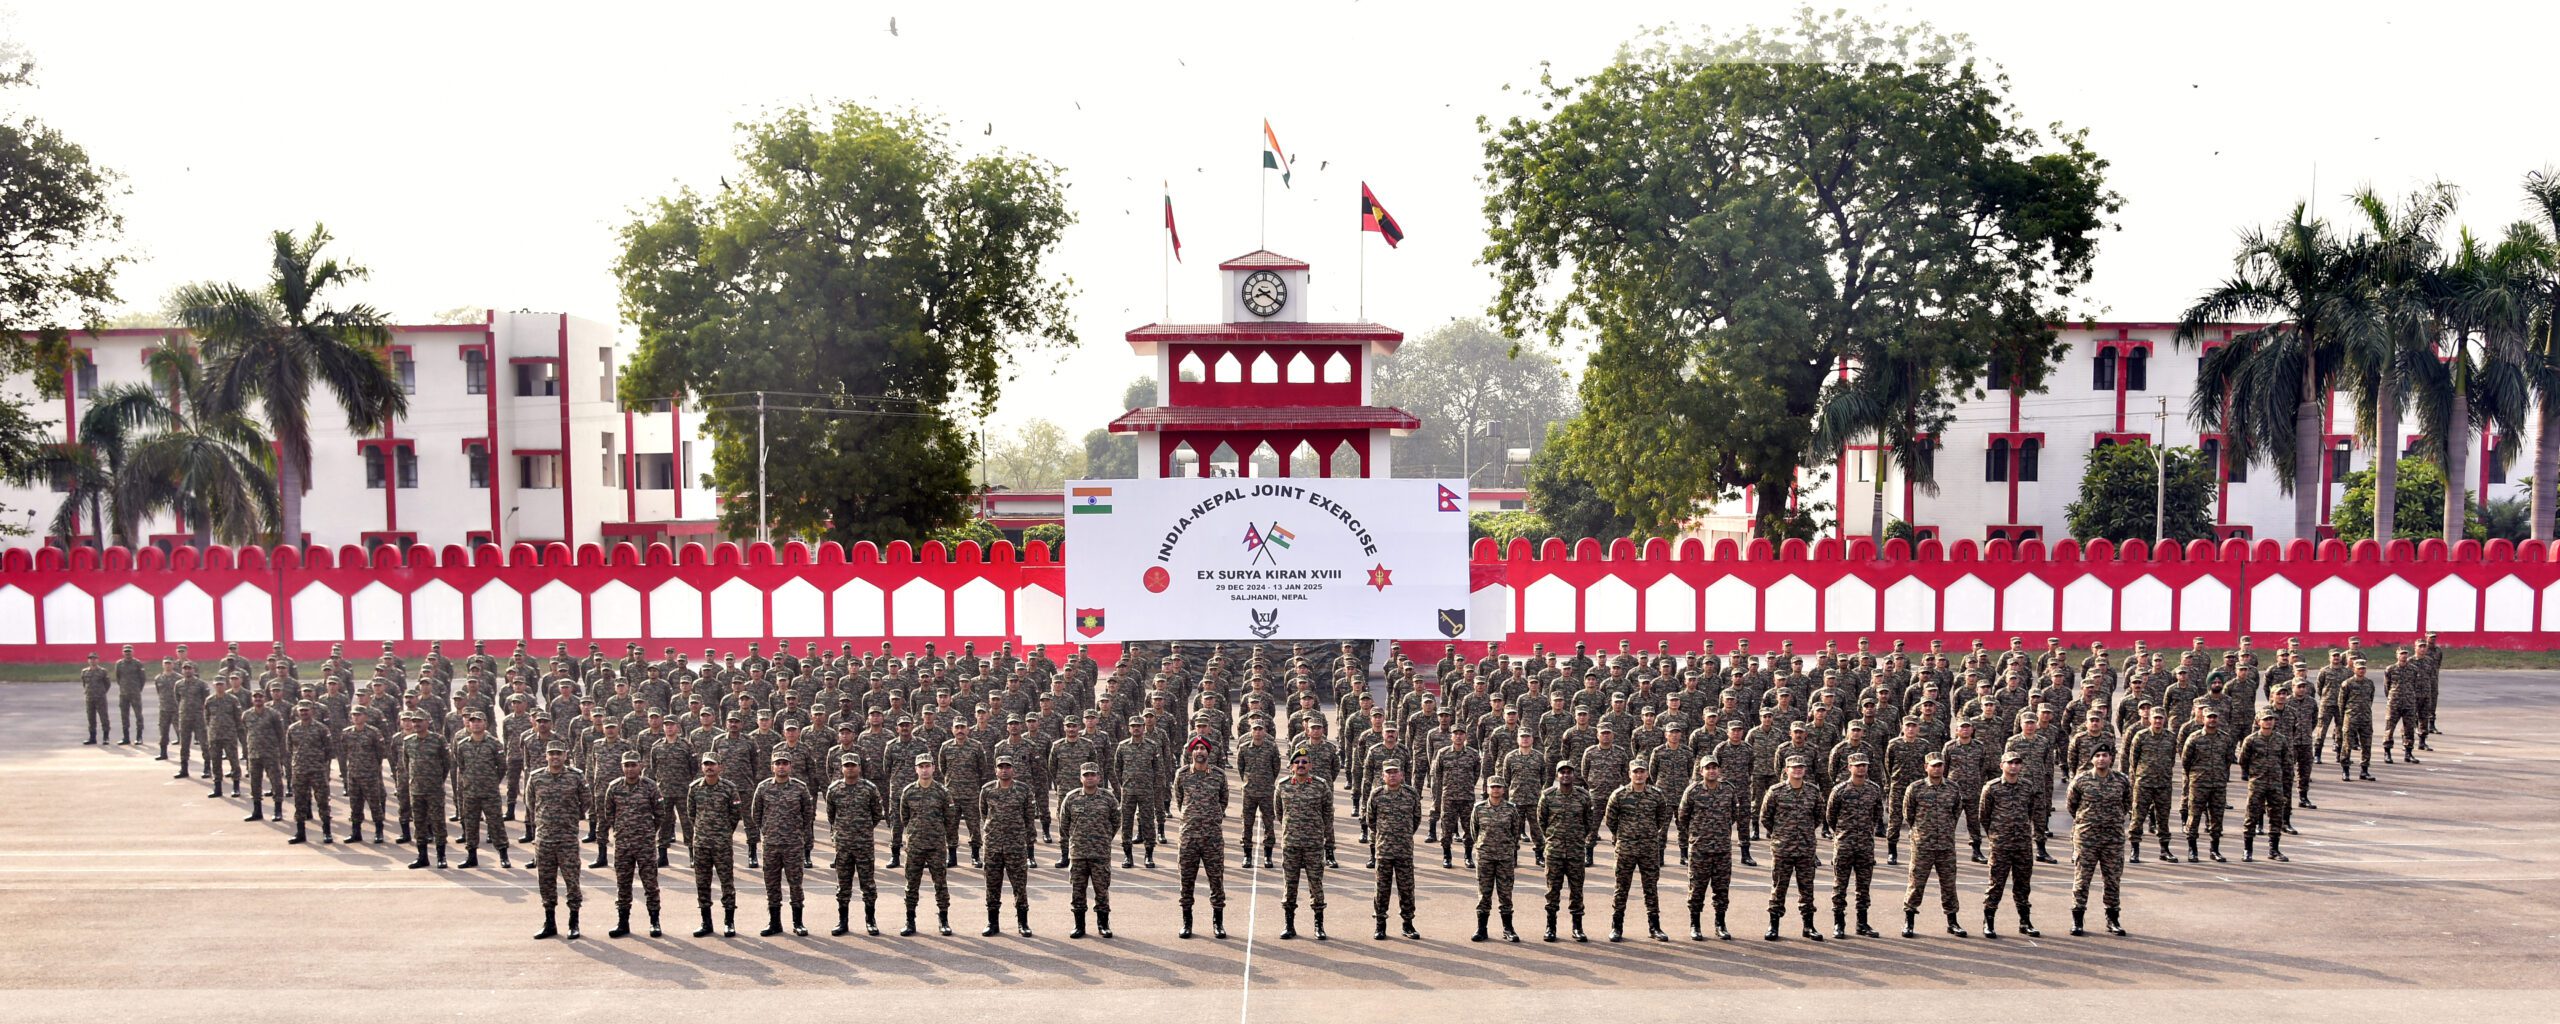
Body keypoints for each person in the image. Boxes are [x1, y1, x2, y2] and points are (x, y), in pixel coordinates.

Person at [2065, 746, 2132, 937]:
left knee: (2112, 879)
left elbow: (2127, 803)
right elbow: (2072, 806)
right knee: (2082, 879)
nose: (2101, 759)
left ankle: (2113, 919)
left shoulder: (2121, 780)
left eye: (2105, 755)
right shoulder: (2081, 780)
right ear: (2092, 759)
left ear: (2111, 758)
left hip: (2112, 838)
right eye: (2098, 756)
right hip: (2087, 838)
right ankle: (2077, 920)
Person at [1899, 752, 1968, 937]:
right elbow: (1909, 814)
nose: (1937, 768)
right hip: (1923, 845)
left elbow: (1956, 811)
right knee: (1916, 883)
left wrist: (1944, 830)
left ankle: (1952, 922)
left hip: (1945, 845)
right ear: (1926, 767)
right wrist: (1922, 832)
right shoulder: (1916, 788)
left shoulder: (1953, 788)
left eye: (1940, 765)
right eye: (1933, 765)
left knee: (1949, 884)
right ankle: (1909, 920)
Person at [602, 751, 671, 938]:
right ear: (622, 767)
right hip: (623, 844)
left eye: (633, 765)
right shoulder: (614, 787)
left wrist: (648, 831)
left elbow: (660, 814)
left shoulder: (650, 787)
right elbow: (609, 814)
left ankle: (654, 922)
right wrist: (621, 831)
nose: (630, 768)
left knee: (650, 883)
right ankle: (623, 922)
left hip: (645, 843)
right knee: (623, 884)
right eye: (627, 765)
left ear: (640, 766)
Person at [1603, 757, 1672, 942]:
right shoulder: (1619, 795)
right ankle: (1616, 927)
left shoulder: (1656, 795)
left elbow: (1661, 818)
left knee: (1651, 888)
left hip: (1649, 848)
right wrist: (1624, 834)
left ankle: (1655, 927)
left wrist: (1648, 833)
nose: (1639, 775)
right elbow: (1610, 820)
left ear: (1647, 774)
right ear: (1629, 774)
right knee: (1621, 888)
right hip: (1626, 847)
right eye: (1635, 772)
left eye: (1642, 771)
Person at [748, 750, 816, 936]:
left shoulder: (800, 788)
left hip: (793, 844)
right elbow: (756, 815)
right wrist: (768, 831)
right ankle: (774, 923)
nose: (781, 766)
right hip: (771, 844)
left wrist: (797, 833)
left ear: (790, 766)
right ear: (772, 767)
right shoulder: (763, 788)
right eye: (778, 763)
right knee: (772, 884)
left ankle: (798, 922)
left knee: (795, 884)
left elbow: (807, 814)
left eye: (785, 763)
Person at [1758, 755, 1824, 942]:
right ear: (1785, 770)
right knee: (1779, 887)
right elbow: (1766, 818)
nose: (1797, 770)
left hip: (1805, 848)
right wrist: (1780, 833)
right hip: (1783, 848)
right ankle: (1774, 925)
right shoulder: (1776, 791)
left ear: (1805, 770)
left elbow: (1818, 816)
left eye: (1800, 767)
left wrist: (1805, 833)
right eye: (1793, 767)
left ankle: (1808, 926)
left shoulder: (1813, 791)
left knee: (1807, 888)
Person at [1171, 741, 1230, 939]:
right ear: (1191, 753)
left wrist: (1212, 817)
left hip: (1212, 837)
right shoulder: (1182, 775)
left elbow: (1224, 801)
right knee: (1186, 881)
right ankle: (1187, 923)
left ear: (1208, 753)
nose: (1199, 752)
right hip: (1188, 836)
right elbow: (1179, 800)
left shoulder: (1219, 775)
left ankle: (1218, 923)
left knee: (1216, 880)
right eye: (1196, 749)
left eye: (1203, 749)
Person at [1979, 750, 2041, 938]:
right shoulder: (1992, 788)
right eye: (2010, 763)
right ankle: (1988, 921)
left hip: (2022, 844)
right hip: (2001, 845)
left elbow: (2030, 811)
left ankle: (2025, 921)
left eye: (2017, 763)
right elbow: (1984, 816)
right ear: (2002, 766)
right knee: (1996, 883)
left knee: (2023, 884)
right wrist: (1996, 835)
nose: (2013, 766)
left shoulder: (2027, 786)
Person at [1675, 759, 1738, 940]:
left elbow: (1733, 814)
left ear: (1719, 770)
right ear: (1701, 771)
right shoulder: (1693, 791)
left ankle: (1720, 924)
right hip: (1700, 849)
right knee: (1697, 888)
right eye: (1707, 768)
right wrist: (1698, 835)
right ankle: (1695, 924)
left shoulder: (1728, 790)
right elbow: (1683, 817)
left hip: (1722, 848)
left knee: (1721, 889)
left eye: (1714, 767)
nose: (1711, 771)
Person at [822, 753, 884, 936]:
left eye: (853, 765)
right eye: (847, 765)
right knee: (843, 884)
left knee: (868, 884)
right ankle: (843, 921)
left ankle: (870, 920)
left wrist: (863, 830)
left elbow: (877, 814)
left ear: (859, 767)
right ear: (842, 768)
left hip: (864, 844)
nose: (850, 768)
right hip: (843, 845)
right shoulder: (834, 789)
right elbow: (831, 816)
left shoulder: (869, 789)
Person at [979, 754, 1040, 937]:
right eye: (1001, 767)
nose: (1004, 770)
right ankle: (993, 923)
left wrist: (1028, 842)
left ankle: (1023, 923)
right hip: (993, 845)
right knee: (992, 884)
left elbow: (1029, 817)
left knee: (1019, 885)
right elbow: (983, 814)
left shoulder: (1023, 790)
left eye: (1007, 767)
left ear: (1013, 769)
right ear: (995, 770)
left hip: (1016, 845)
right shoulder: (987, 790)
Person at [895, 755, 956, 936]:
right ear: (916, 769)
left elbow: (950, 818)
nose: (924, 769)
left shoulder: (942, 792)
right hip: (915, 845)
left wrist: (936, 831)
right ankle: (910, 920)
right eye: (921, 766)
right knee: (911, 884)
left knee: (941, 884)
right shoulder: (908, 791)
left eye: (927, 766)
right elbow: (904, 817)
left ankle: (944, 920)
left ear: (933, 768)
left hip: (936, 845)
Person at [1362, 760, 1423, 940]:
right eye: (1389, 772)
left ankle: (1408, 924)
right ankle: (1380, 924)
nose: (1392, 775)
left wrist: (1403, 835)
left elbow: (1416, 819)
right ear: (1383, 776)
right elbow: (1370, 820)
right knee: (1382, 889)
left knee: (1406, 888)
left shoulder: (1411, 794)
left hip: (1404, 850)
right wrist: (1385, 836)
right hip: (1383, 850)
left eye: (1395, 772)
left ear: (1402, 775)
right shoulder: (1377, 794)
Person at [1274, 752, 1333, 940]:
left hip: (1313, 844)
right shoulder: (1283, 786)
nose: (1300, 764)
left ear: (1310, 765)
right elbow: (1279, 814)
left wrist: (1327, 840)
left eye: (1304, 762)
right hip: (1291, 843)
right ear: (1291, 766)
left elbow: (1327, 815)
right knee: (1290, 885)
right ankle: (1289, 925)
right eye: (1297, 762)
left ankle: (1319, 925)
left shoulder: (1321, 786)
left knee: (1316, 884)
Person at [1826, 752, 1884, 938]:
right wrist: (1843, 833)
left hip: (1865, 845)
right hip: (1844, 844)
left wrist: (1866, 831)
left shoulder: (1874, 790)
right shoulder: (1840, 790)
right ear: (1849, 767)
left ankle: (1862, 923)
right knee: (1840, 885)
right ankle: (1838, 923)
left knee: (1863, 887)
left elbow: (1877, 815)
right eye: (1857, 765)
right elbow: (1830, 817)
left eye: (1864, 765)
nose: (1861, 768)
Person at [1058, 761, 1118, 939]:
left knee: (1102, 890)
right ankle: (1079, 925)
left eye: (1093, 775)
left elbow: (1116, 821)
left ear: (1099, 777)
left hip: (1100, 853)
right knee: (1078, 890)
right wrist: (1077, 839)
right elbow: (1064, 824)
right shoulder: (1071, 798)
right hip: (1078, 853)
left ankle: (1103, 924)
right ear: (1081, 777)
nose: (1090, 778)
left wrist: (1105, 838)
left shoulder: (1108, 798)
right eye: (1086, 775)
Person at [687, 752, 745, 937]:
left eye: (713, 764)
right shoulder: (695, 788)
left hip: (722, 844)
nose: (709, 767)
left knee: (726, 882)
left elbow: (735, 814)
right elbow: (691, 814)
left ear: (720, 767)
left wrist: (724, 832)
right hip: (701, 843)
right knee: (702, 883)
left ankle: (729, 922)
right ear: (702, 767)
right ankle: (706, 922)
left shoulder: (729, 788)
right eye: (706, 764)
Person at [1535, 762, 1594, 942]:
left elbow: (1588, 822)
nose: (1566, 775)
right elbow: (1541, 822)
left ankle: (1577, 927)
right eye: (1562, 772)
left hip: (1576, 851)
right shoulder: (1548, 796)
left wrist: (1577, 838)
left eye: (1569, 772)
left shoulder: (1583, 796)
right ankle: (1550, 927)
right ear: (1557, 775)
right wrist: (1554, 838)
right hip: (1554, 851)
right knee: (1553, 890)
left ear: (1574, 775)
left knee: (1577, 890)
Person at [1469, 776, 1526, 942]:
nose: (1495, 790)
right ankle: (1481, 929)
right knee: (1484, 893)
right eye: (1493, 787)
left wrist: (1508, 848)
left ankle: (1508, 929)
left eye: (1499, 787)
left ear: (1504, 789)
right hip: (1485, 857)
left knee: (1505, 894)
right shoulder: (1478, 809)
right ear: (1487, 789)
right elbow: (1475, 832)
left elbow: (1515, 832)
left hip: (1504, 857)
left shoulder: (1511, 809)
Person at [451, 711, 510, 868]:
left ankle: (503, 855)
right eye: (473, 721)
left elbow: (502, 766)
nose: (476, 724)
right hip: (470, 792)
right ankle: (472, 856)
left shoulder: (494, 743)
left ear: (485, 723)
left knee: (496, 823)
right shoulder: (463, 744)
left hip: (490, 792)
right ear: (469, 724)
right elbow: (461, 765)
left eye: (479, 721)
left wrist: (492, 781)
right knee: (470, 824)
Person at [2236, 709, 2293, 863]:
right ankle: (2248, 850)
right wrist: (2253, 774)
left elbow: (2287, 762)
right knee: (2251, 816)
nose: (2268, 722)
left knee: (2276, 817)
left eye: (2271, 719)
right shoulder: (2251, 740)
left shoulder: (2281, 740)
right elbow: (2243, 760)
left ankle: (2274, 849)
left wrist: (2286, 782)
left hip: (2276, 784)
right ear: (2259, 721)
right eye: (2265, 719)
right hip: (2257, 783)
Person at [398, 709, 451, 869]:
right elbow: (407, 763)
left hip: (434, 788)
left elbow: (446, 764)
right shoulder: (408, 741)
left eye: (420, 721)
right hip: (416, 789)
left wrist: (437, 780)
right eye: (414, 721)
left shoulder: (438, 740)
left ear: (428, 722)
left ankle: (441, 856)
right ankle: (422, 856)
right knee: (419, 823)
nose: (416, 724)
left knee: (438, 822)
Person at [2181, 708, 2235, 862]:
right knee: (2194, 817)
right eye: (2209, 717)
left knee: (2217, 818)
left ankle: (2215, 849)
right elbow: (2186, 761)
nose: (2212, 720)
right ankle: (2193, 850)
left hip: (2218, 784)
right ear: (2203, 719)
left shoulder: (2225, 739)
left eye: (2214, 717)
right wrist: (2196, 775)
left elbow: (2228, 759)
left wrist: (2221, 775)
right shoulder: (2194, 738)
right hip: (2199, 784)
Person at [283, 700, 336, 845]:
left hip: (317, 770)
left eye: (306, 710)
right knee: (299, 802)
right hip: (300, 771)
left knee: (323, 802)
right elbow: (290, 749)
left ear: (312, 711)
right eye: (301, 710)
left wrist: (319, 763)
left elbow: (329, 750)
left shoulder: (321, 729)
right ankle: (300, 833)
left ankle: (327, 832)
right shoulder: (292, 729)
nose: (304, 713)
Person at [339, 704, 390, 844]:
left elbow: (381, 752)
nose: (356, 717)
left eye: (359, 715)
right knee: (355, 804)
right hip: (353, 774)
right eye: (354, 715)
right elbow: (344, 751)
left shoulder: (373, 733)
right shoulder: (347, 733)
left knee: (374, 803)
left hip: (370, 774)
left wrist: (373, 767)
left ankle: (379, 832)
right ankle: (356, 832)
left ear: (365, 717)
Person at [79, 652, 111, 745]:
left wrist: (102, 692)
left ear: (98, 660)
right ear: (88, 660)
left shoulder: (102, 671)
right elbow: (84, 684)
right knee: (91, 718)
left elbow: (107, 684)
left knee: (104, 718)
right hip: (89, 698)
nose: (92, 660)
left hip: (100, 698)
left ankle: (106, 737)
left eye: (94, 659)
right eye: (91, 659)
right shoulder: (84, 672)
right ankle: (92, 737)